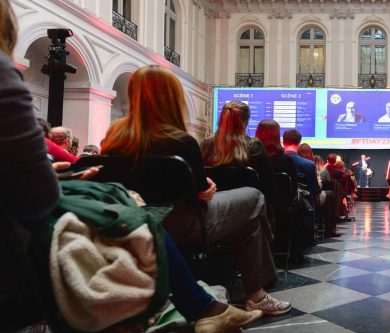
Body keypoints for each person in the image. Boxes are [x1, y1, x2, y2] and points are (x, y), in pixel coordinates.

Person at [0, 2, 261, 333]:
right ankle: (223, 303)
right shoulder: (184, 143)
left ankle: (206, 308)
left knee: (135, 212)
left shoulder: (117, 137)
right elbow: (37, 200)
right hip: (22, 257)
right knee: (135, 222)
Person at [101, 66, 290, 316]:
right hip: (182, 224)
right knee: (254, 198)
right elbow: (200, 194)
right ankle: (257, 294)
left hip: (129, 224)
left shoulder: (113, 138)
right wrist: (208, 187)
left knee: (249, 224)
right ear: (172, 98)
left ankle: (256, 294)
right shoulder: (180, 141)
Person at [200, 100, 274, 201]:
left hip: (212, 212)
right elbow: (268, 189)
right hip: (248, 213)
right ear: (245, 123)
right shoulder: (255, 147)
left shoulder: (205, 146)